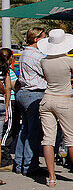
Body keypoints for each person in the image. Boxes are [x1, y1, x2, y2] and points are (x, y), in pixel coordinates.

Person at [38, 29, 73, 186]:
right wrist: (69, 82)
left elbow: (48, 79)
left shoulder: (43, 61)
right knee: (71, 138)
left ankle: (51, 177)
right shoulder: (70, 61)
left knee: (48, 139)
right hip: (63, 100)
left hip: (47, 99)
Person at [13, 27, 47, 176]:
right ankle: (29, 165)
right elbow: (45, 73)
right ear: (36, 39)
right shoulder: (36, 56)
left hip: (23, 93)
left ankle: (20, 163)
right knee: (33, 131)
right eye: (43, 37)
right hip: (34, 93)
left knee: (24, 130)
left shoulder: (24, 53)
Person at [0, 47, 16, 173]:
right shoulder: (7, 70)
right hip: (6, 101)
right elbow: (10, 87)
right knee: (7, 130)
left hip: (5, 101)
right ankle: (4, 159)